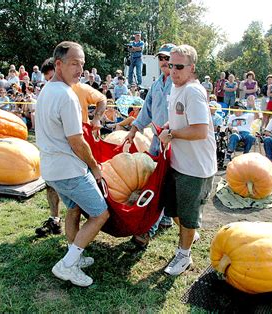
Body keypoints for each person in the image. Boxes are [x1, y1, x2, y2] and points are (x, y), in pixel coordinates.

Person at [35, 41, 109, 287]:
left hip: (51, 170)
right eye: (74, 63)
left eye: (83, 64)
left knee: (74, 209)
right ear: (59, 64)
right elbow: (77, 141)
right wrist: (95, 166)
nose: (80, 70)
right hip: (69, 169)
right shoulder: (67, 96)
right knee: (100, 214)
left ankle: (73, 254)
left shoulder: (46, 90)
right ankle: (67, 264)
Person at [157, 44, 217, 276]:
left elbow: (200, 131)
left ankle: (184, 256)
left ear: (192, 68)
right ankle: (190, 232)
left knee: (188, 214)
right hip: (180, 163)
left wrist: (171, 134)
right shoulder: (175, 87)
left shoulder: (193, 91)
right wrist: (169, 126)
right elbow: (182, 121)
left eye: (179, 66)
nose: (173, 70)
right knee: (175, 210)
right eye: (171, 65)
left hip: (196, 167)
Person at [124, 43, 177, 247]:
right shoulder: (156, 85)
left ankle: (149, 229)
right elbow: (146, 111)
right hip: (156, 140)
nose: (164, 62)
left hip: (174, 142)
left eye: (168, 58)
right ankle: (163, 219)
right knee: (156, 182)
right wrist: (133, 130)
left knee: (163, 184)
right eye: (161, 59)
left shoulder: (179, 85)